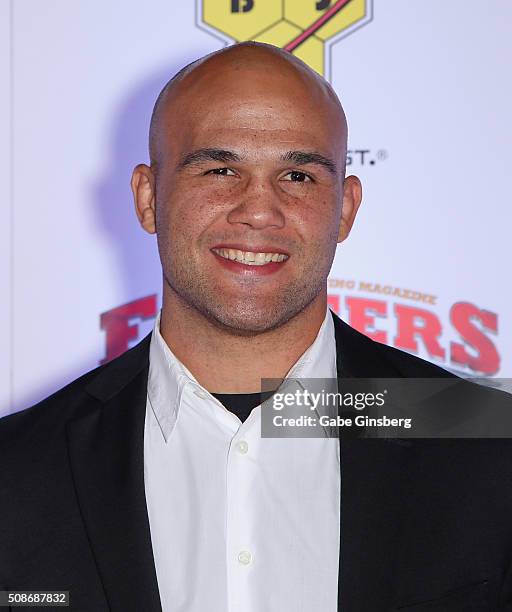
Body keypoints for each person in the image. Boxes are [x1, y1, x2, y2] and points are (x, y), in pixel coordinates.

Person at [1, 42, 511, 612]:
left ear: (345, 209)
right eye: (220, 169)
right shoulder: (17, 470)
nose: (259, 209)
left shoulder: (487, 443)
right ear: (148, 198)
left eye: (297, 175)